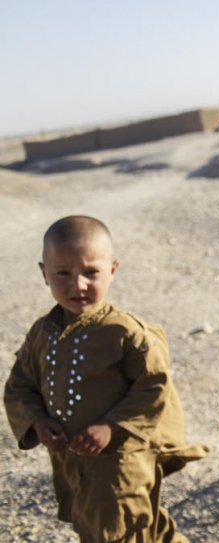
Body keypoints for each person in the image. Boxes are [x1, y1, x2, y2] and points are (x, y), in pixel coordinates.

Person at [4, 215, 208, 542]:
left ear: (112, 270)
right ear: (44, 274)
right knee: (101, 525)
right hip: (74, 461)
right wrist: (38, 421)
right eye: (63, 274)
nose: (78, 285)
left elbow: (154, 388)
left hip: (121, 463)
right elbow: (20, 386)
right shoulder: (42, 333)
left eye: (91, 272)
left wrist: (110, 426)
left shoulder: (126, 333)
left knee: (124, 529)